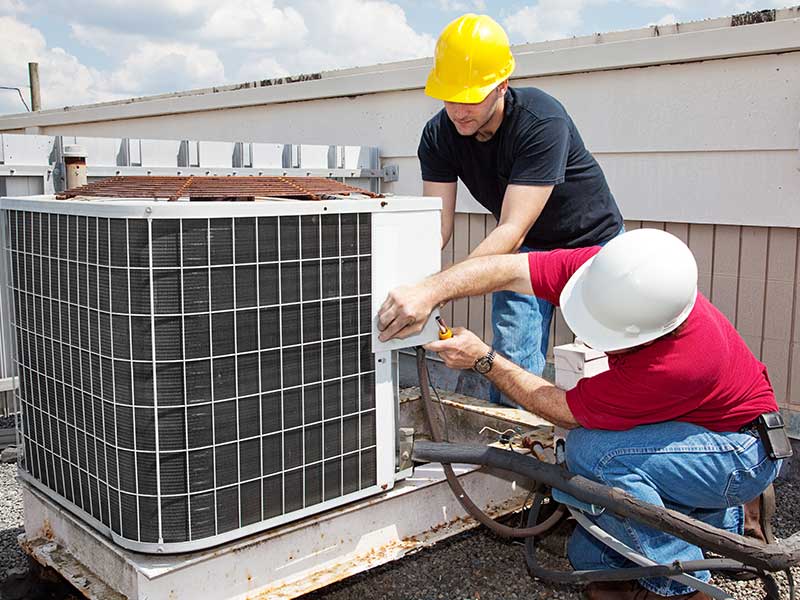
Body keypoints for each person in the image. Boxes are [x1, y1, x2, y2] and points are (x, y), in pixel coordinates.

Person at [377, 229, 786, 600]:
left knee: (593, 452)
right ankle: (723, 522)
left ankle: (678, 584)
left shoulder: (679, 362)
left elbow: (566, 411)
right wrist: (429, 291)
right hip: (697, 430)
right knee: (588, 557)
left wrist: (484, 359)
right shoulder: (610, 272)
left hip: (739, 452)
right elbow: (505, 269)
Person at [418, 13, 623, 406]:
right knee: (511, 357)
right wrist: (414, 282)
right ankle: (516, 449)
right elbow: (437, 227)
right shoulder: (438, 135)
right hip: (527, 251)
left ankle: (602, 447)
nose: (460, 110)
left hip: (594, 246)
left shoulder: (541, 120)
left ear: (502, 86)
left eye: (473, 96)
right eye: (450, 97)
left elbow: (512, 227)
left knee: (611, 355)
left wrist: (437, 290)